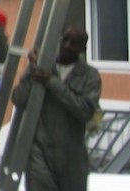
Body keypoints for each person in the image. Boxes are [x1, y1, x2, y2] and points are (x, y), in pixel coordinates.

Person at [11, 26, 101, 191]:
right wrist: (32, 70)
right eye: (65, 39)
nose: (67, 45)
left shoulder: (90, 76)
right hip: (40, 153)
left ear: (83, 48)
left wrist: (52, 83)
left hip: (71, 157)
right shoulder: (42, 67)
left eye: (74, 43)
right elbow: (18, 99)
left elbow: (85, 111)